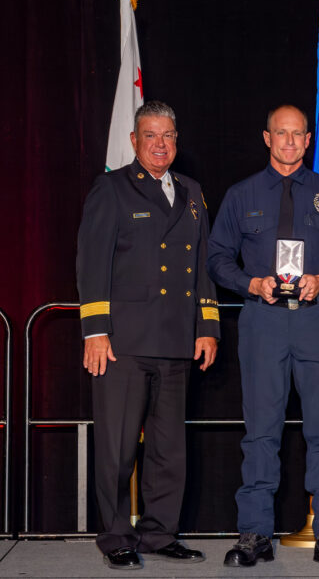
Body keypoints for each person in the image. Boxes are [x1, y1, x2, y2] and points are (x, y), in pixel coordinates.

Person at [207, 105, 319, 569]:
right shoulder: (241, 195)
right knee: (260, 432)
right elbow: (217, 258)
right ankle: (255, 534)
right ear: (267, 137)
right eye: (282, 133)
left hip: (317, 322)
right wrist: (250, 283)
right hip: (263, 321)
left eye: (298, 134)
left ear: (309, 139)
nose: (290, 142)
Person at [77, 100, 220, 570]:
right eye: (151, 136)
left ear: (177, 141)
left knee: (168, 450)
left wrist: (208, 328)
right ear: (134, 141)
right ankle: (117, 536)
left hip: (177, 341)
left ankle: (160, 534)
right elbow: (91, 264)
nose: (160, 144)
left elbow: (201, 266)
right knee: (117, 451)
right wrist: (95, 331)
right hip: (124, 344)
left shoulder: (193, 191)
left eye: (168, 136)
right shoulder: (112, 189)